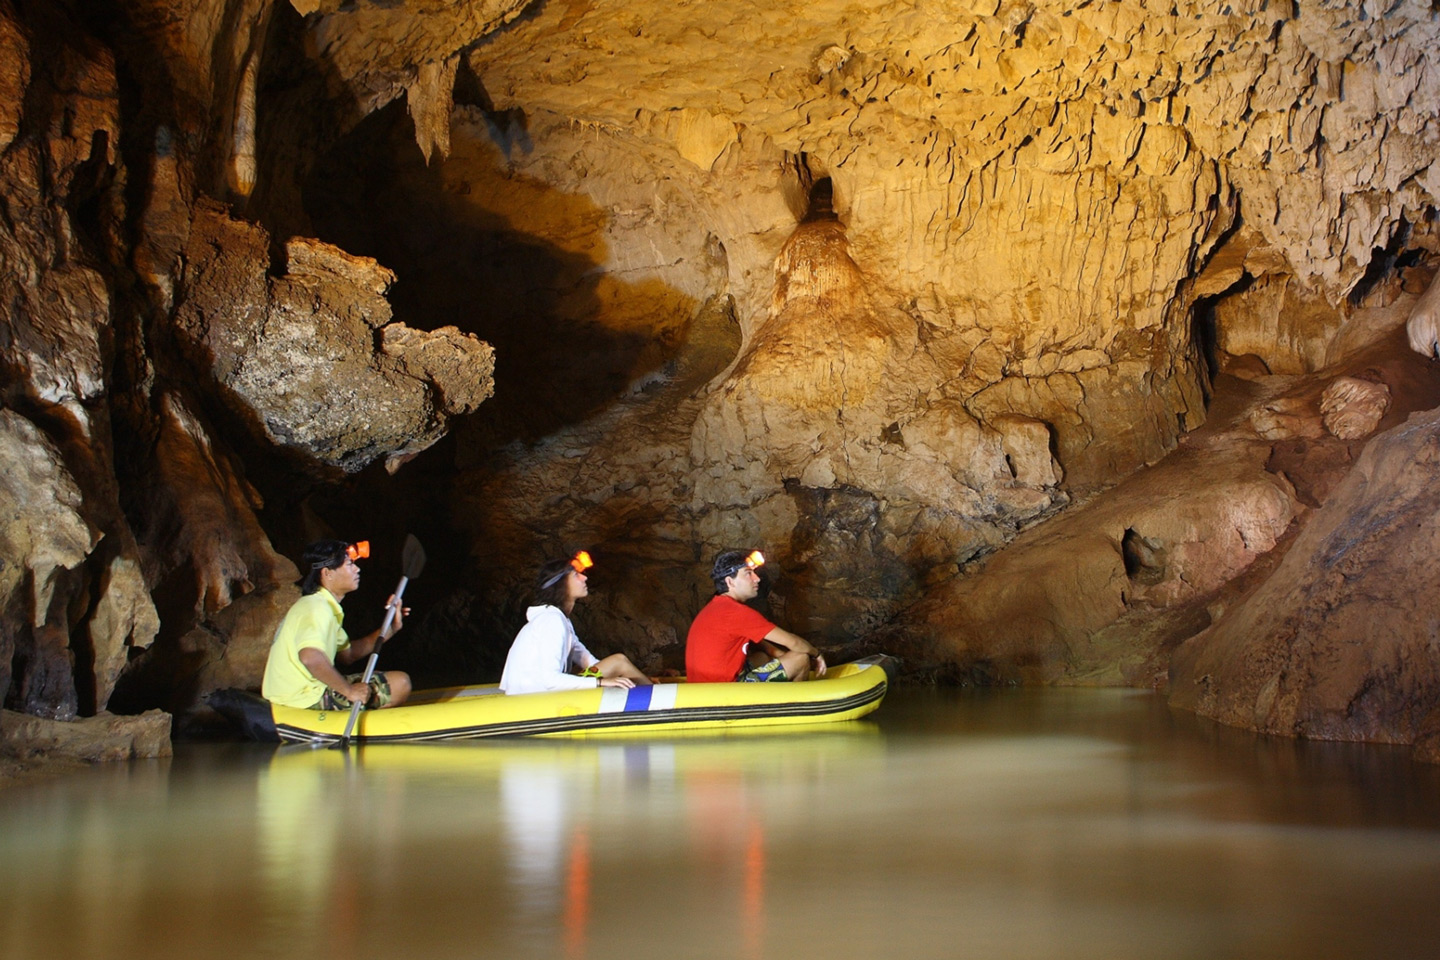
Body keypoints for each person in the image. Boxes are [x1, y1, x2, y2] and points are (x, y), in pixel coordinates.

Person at [261, 539, 413, 710]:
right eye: (349, 564)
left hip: (303, 692)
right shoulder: (317, 608)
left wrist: (390, 628)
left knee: (393, 681)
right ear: (328, 573)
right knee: (400, 683)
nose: (357, 569)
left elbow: (349, 654)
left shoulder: (324, 606)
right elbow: (310, 657)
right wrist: (349, 691)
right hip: (300, 698)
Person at [500, 551, 653, 695]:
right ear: (560, 584)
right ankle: (657, 698)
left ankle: (652, 688)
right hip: (534, 698)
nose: (584, 578)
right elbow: (549, 679)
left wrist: (635, 676)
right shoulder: (551, 620)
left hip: (539, 693)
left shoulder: (560, 620)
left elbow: (591, 664)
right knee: (619, 661)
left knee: (616, 665)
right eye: (576, 575)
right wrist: (601, 682)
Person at [685, 549, 827, 683]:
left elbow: (760, 642)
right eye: (748, 573)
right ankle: (796, 704)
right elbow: (793, 642)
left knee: (761, 658)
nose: (757, 579)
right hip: (722, 694)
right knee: (801, 658)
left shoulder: (718, 606)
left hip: (706, 689)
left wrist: (779, 654)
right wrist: (816, 654)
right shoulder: (736, 612)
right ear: (730, 582)